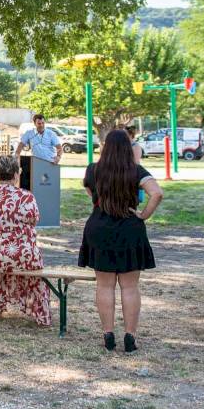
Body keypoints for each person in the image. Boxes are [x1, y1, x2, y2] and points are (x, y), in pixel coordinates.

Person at [79, 130, 164, 352]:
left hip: (99, 228)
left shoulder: (93, 169)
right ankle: (130, 335)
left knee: (104, 285)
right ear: (128, 147)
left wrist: (101, 200)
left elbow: (88, 189)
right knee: (130, 286)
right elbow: (157, 193)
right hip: (129, 228)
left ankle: (108, 333)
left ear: (105, 147)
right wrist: (143, 214)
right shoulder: (136, 170)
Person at [0, 155, 51, 325]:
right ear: (16, 174)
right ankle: (39, 312)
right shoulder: (26, 197)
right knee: (29, 264)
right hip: (20, 256)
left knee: (0, 263)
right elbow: (34, 220)